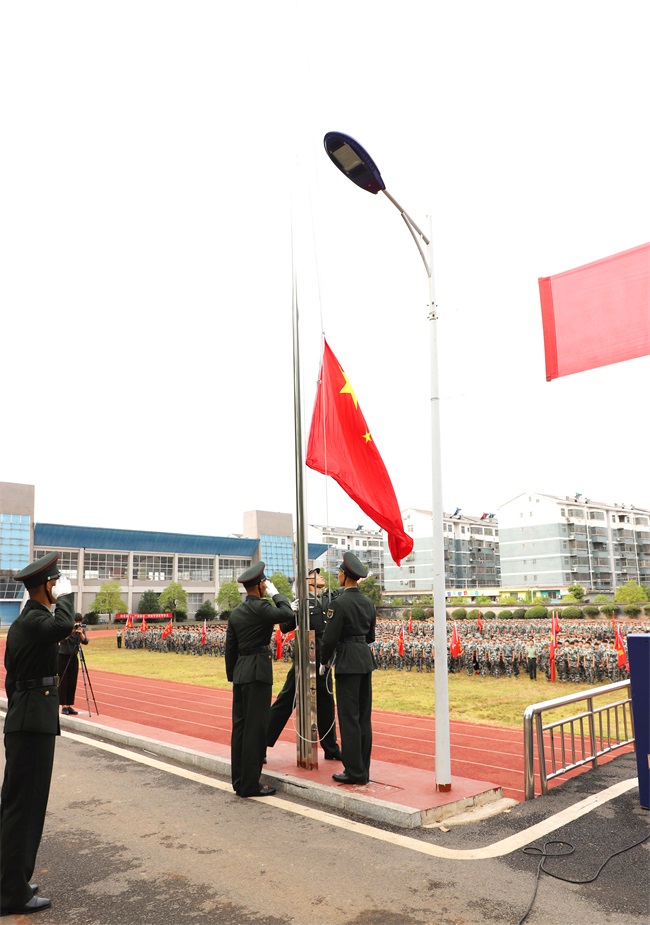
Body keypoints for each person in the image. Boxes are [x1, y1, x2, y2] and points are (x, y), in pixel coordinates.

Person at [0, 552, 75, 916]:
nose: (58, 587)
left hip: (25, 720)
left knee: (18, 808)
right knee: (24, 810)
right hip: (32, 725)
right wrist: (69, 596)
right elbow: (63, 626)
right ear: (47, 584)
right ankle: (11, 894)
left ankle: (12, 882)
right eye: (56, 583)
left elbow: (11, 679)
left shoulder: (24, 622)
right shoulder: (35, 619)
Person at [225, 562, 293, 798]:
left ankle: (239, 781)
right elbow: (287, 613)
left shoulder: (236, 612)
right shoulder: (261, 607)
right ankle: (251, 785)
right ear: (260, 585)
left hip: (242, 673)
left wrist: (234, 675)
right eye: (265, 584)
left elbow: (230, 648)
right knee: (256, 729)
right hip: (258, 672)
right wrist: (277, 595)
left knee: (240, 729)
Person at [266, 568, 343, 762]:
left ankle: (331, 748)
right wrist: (292, 610)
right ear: (308, 581)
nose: (321, 575)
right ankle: (261, 744)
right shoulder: (301, 602)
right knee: (286, 701)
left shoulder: (327, 599)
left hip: (324, 659)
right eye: (316, 574)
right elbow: (285, 627)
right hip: (305, 659)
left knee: (326, 704)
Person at [320, 551, 376, 785]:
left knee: (348, 717)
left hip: (346, 661)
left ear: (344, 576)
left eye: (339, 573)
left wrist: (323, 660)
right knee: (364, 717)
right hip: (364, 658)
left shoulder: (339, 603)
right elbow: (370, 636)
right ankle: (363, 769)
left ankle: (354, 772)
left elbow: (330, 638)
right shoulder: (368, 602)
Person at [57, 613, 89, 715]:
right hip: (63, 657)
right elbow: (61, 641)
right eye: (76, 622)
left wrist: (80, 633)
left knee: (72, 681)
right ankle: (63, 706)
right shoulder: (66, 629)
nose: (77, 624)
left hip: (74, 657)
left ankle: (69, 704)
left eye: (79, 622)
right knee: (63, 681)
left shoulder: (80, 630)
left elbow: (85, 641)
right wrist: (71, 632)